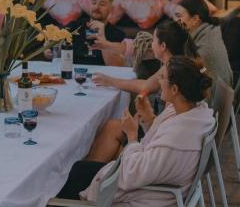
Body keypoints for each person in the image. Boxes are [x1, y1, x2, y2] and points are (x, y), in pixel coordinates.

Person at [57, 56, 215, 206]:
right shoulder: (194, 113)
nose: (159, 81)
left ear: (174, 89)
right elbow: (159, 146)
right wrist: (148, 118)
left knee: (77, 175)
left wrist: (132, 136)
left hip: (146, 197)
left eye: (163, 78)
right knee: (80, 169)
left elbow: (132, 174)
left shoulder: (178, 138)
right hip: (154, 184)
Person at [87, 20, 198, 162]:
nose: (151, 44)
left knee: (111, 128)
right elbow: (146, 83)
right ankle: (102, 170)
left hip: (160, 139)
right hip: (165, 131)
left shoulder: (171, 70)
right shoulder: (178, 62)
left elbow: (144, 87)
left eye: (153, 40)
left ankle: (92, 172)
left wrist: (110, 81)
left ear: (163, 46)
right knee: (113, 126)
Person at [46, 0, 126, 66]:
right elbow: (51, 43)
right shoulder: (74, 26)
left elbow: (116, 65)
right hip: (72, 72)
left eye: (102, 4)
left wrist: (102, 37)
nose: (97, 7)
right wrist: (47, 50)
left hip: (101, 75)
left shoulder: (118, 34)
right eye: (94, 3)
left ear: (110, 9)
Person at [174, 0, 233, 86]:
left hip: (209, 96)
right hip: (219, 91)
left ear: (195, 19)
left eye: (178, 16)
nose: (174, 21)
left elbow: (184, 78)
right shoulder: (210, 32)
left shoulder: (204, 49)